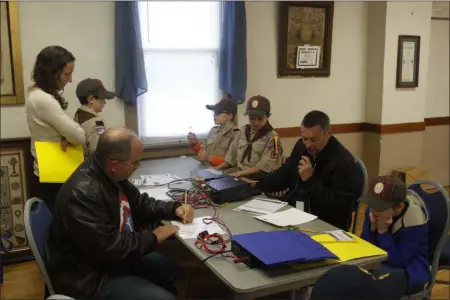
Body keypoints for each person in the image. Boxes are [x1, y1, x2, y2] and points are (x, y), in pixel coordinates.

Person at [45, 127, 195, 300]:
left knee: (166, 268)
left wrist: (173, 208)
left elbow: (140, 204)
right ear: (114, 163)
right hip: (89, 277)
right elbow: (110, 248)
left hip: (105, 259)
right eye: (134, 163)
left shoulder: (109, 174)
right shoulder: (82, 195)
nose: (137, 167)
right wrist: (153, 237)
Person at [310, 176, 430, 300]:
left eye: (380, 207)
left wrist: (383, 232)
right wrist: (372, 229)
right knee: (344, 279)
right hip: (379, 261)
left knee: (368, 289)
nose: (373, 210)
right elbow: (366, 245)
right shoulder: (373, 211)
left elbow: (397, 261)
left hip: (409, 270)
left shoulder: (414, 222)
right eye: (372, 204)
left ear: (398, 208)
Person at [255, 110, 360, 230]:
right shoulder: (302, 146)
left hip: (325, 224)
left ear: (328, 133)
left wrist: (310, 180)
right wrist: (255, 184)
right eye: (305, 139)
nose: (308, 145)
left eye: (314, 140)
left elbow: (340, 208)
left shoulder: (343, 161)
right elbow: (284, 176)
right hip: (295, 214)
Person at [25, 45, 85, 211]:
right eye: (67, 74)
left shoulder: (35, 93)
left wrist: (65, 134)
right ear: (51, 72)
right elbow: (79, 136)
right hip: (56, 174)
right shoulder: (43, 99)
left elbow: (63, 130)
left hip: (50, 171)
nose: (70, 79)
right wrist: (68, 133)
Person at [215, 95, 283, 178]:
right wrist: (215, 169)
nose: (255, 122)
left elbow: (264, 168)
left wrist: (238, 174)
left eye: (260, 118)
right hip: (238, 174)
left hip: (257, 179)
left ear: (268, 116)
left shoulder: (274, 138)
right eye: (252, 118)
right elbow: (230, 159)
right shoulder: (243, 131)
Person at [187, 98, 239, 166]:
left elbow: (234, 161)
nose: (214, 115)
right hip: (206, 169)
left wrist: (209, 158)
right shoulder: (213, 130)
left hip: (223, 173)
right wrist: (194, 143)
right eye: (214, 112)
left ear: (229, 116)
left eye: (218, 112)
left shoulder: (236, 135)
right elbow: (203, 151)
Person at [74, 78, 116, 157]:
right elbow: (98, 150)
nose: (104, 102)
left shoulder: (77, 117)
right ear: (91, 99)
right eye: (102, 98)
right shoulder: (98, 123)